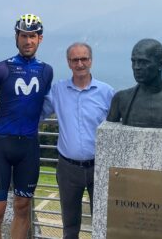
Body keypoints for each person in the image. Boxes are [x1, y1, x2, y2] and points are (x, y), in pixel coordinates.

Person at [0, 13, 53, 238]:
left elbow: (43, 104)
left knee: (22, 208)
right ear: (16, 37)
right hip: (0, 147)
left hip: (28, 148)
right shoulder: (2, 68)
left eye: (33, 36)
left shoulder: (47, 71)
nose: (28, 41)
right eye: (23, 36)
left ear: (40, 39)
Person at [41, 42, 114, 238]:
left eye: (84, 59)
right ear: (68, 63)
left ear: (91, 60)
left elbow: (119, 127)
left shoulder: (107, 92)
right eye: (75, 60)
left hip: (100, 166)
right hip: (68, 168)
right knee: (70, 225)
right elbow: (36, 113)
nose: (80, 64)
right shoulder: (58, 91)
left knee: (103, 223)